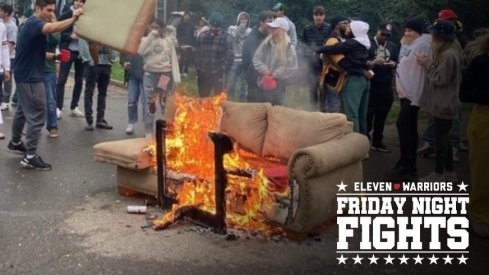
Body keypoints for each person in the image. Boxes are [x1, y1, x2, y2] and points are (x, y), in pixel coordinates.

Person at [7, 0, 83, 171]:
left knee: (21, 111)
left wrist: (55, 58)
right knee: (37, 113)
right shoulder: (35, 23)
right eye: (48, 10)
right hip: (30, 77)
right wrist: (73, 19)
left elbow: (36, 51)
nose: (51, 14)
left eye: (53, 11)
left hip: (24, 75)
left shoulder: (31, 25)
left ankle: (16, 142)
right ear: (38, 8)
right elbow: (52, 28)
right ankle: (30, 156)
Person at [418, 8, 468, 161]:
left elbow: (441, 79)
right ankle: (442, 156)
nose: (431, 36)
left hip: (446, 100)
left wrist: (428, 65)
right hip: (444, 100)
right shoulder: (449, 47)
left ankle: (448, 157)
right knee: (441, 132)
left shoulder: (450, 52)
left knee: (446, 133)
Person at [385, 16, 432, 180]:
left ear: (418, 32)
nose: (407, 33)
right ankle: (407, 164)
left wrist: (416, 97)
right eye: (406, 30)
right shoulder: (408, 43)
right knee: (410, 127)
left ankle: (407, 165)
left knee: (402, 124)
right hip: (405, 93)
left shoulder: (423, 45)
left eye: (410, 30)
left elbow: (421, 73)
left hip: (413, 94)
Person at [316, 20, 372, 135]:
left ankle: (356, 145)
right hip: (364, 80)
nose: (347, 28)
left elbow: (335, 52)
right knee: (361, 114)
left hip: (354, 80)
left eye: (349, 27)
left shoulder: (352, 42)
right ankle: (363, 143)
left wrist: (318, 49)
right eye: (345, 25)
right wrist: (363, 69)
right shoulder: (364, 41)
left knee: (351, 114)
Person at [459, 28, 489, 237]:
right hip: (484, 119)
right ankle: (478, 216)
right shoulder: (481, 63)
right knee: (483, 172)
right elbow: (464, 94)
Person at [138, 19, 180, 137]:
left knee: (164, 102)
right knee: (150, 102)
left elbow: (173, 59)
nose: (154, 30)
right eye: (152, 27)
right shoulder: (146, 40)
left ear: (162, 28)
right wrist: (151, 36)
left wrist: (176, 77)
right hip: (150, 75)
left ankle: (168, 129)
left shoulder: (168, 41)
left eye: (157, 27)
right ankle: (148, 131)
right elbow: (141, 52)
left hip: (164, 75)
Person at [366, 23, 398, 152]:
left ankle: (378, 141)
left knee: (382, 114)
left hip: (386, 84)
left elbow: (396, 60)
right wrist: (372, 63)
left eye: (388, 35)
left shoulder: (392, 46)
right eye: (382, 34)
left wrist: (393, 64)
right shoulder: (368, 44)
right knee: (368, 114)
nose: (385, 37)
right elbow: (361, 61)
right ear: (377, 30)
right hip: (372, 84)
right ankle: (365, 140)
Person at [252, 17, 298, 105]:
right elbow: (256, 58)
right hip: (263, 82)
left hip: (279, 85)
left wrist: (276, 74)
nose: (271, 29)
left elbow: (292, 67)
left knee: (275, 110)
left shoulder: (289, 47)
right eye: (271, 27)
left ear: (282, 30)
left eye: (275, 27)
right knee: (262, 108)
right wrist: (263, 69)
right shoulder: (266, 43)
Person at [55, 0, 85, 119]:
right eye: (77, 0)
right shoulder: (66, 14)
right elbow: (58, 32)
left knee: (79, 80)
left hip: (81, 52)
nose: (79, 3)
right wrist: (70, 36)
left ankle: (74, 106)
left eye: (82, 1)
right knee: (62, 78)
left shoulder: (86, 16)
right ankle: (58, 106)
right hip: (67, 49)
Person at [195, 11, 233, 98]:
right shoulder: (202, 36)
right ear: (209, 24)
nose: (214, 28)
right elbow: (197, 53)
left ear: (220, 25)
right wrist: (198, 69)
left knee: (218, 100)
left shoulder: (226, 37)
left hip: (218, 73)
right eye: (212, 25)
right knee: (203, 99)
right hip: (203, 73)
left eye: (217, 26)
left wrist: (223, 70)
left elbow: (230, 56)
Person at [79, 39, 114, 131]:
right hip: (93, 64)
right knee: (89, 92)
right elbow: (83, 41)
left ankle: (100, 119)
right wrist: (89, 60)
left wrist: (112, 58)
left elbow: (114, 42)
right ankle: (89, 120)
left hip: (106, 64)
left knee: (103, 93)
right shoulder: (90, 27)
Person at [318, 16, 350, 113]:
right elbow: (339, 62)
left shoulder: (341, 38)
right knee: (333, 107)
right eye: (345, 23)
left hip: (336, 77)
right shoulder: (332, 40)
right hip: (333, 77)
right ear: (337, 25)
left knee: (337, 105)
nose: (347, 25)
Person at [302, 5, 332, 110]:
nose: (318, 17)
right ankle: (313, 112)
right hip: (311, 64)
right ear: (313, 16)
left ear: (324, 16)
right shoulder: (307, 29)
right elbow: (304, 45)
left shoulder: (329, 28)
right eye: (316, 15)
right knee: (312, 89)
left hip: (324, 64)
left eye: (321, 15)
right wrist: (308, 55)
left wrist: (322, 53)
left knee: (323, 89)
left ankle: (322, 112)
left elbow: (331, 45)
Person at [243, 10, 274, 103]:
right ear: (261, 22)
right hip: (254, 78)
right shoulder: (252, 37)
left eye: (272, 21)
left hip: (268, 77)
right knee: (254, 107)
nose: (271, 24)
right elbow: (251, 58)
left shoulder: (270, 36)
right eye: (269, 21)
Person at [227, 11, 251, 101]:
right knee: (231, 81)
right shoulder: (232, 28)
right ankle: (230, 99)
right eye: (242, 19)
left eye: (245, 19)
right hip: (234, 59)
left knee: (244, 82)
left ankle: (242, 101)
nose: (244, 20)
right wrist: (240, 28)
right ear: (238, 20)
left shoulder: (250, 31)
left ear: (248, 20)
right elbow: (232, 37)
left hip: (245, 60)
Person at [121, 53, 147, 135]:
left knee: (145, 101)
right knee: (132, 100)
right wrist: (124, 62)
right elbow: (123, 52)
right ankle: (131, 123)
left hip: (146, 74)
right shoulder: (131, 41)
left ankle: (148, 126)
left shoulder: (148, 40)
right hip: (132, 74)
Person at [0, 3, 17, 111]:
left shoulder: (11, 26)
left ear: (6, 12)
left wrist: (5, 59)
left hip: (9, 56)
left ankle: (6, 100)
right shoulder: (2, 24)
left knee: (7, 79)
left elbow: (10, 44)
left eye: (1, 10)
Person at [44, 28, 61, 138]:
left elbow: (56, 44)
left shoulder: (54, 34)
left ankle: (53, 126)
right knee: (29, 100)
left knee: (50, 99)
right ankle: (30, 125)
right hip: (32, 69)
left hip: (48, 69)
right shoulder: (35, 27)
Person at [176, 11, 195, 77]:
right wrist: (181, 44)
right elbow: (178, 35)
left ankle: (186, 72)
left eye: (188, 16)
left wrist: (193, 45)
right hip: (182, 44)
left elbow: (193, 36)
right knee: (181, 58)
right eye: (186, 15)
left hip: (189, 44)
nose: (187, 17)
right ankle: (180, 72)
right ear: (184, 16)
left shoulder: (192, 26)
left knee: (187, 58)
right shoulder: (180, 25)